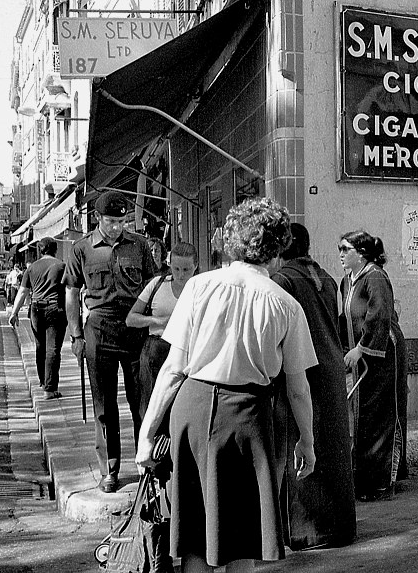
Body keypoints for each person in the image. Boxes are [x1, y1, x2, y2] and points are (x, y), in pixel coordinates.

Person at [135, 197, 317, 573]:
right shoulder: (285, 304)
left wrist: (147, 433)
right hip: (248, 418)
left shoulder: (199, 287)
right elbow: (298, 388)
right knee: (243, 536)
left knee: (194, 535)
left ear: (232, 239)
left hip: (192, 409)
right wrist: (308, 442)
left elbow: (173, 369)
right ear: (276, 248)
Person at [64, 190, 157, 493]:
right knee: (104, 405)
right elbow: (71, 294)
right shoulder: (82, 249)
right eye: (111, 221)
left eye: (121, 221)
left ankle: (147, 461)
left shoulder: (140, 245)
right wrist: (76, 335)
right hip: (99, 330)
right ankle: (110, 468)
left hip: (134, 330)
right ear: (98, 218)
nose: (117, 226)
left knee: (142, 400)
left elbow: (153, 287)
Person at [272, 223, 355, 549]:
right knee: (333, 448)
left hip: (302, 371)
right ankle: (339, 528)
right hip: (331, 371)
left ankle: (308, 532)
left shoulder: (283, 280)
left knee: (302, 447)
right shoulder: (326, 277)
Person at [338, 230, 408, 502]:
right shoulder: (348, 281)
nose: (341, 255)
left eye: (346, 249)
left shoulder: (375, 276)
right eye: (340, 249)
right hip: (361, 353)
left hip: (382, 350)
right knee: (362, 414)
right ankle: (365, 479)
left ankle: (381, 482)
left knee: (380, 414)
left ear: (362, 253)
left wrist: (361, 347)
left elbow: (379, 315)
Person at [126, 242, 197, 412]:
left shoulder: (202, 288)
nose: (181, 275)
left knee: (183, 407)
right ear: (169, 264)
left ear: (196, 266)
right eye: (176, 268)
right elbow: (131, 319)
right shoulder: (158, 284)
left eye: (186, 270)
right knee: (152, 405)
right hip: (157, 349)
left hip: (189, 350)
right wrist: (157, 321)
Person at [8, 237, 67, 400]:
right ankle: (50, 388)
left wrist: (14, 312)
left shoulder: (32, 268)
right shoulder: (61, 266)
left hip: (36, 309)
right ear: (55, 250)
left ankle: (43, 382)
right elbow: (70, 291)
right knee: (53, 349)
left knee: (40, 347)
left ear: (40, 251)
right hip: (56, 308)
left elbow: (22, 292)